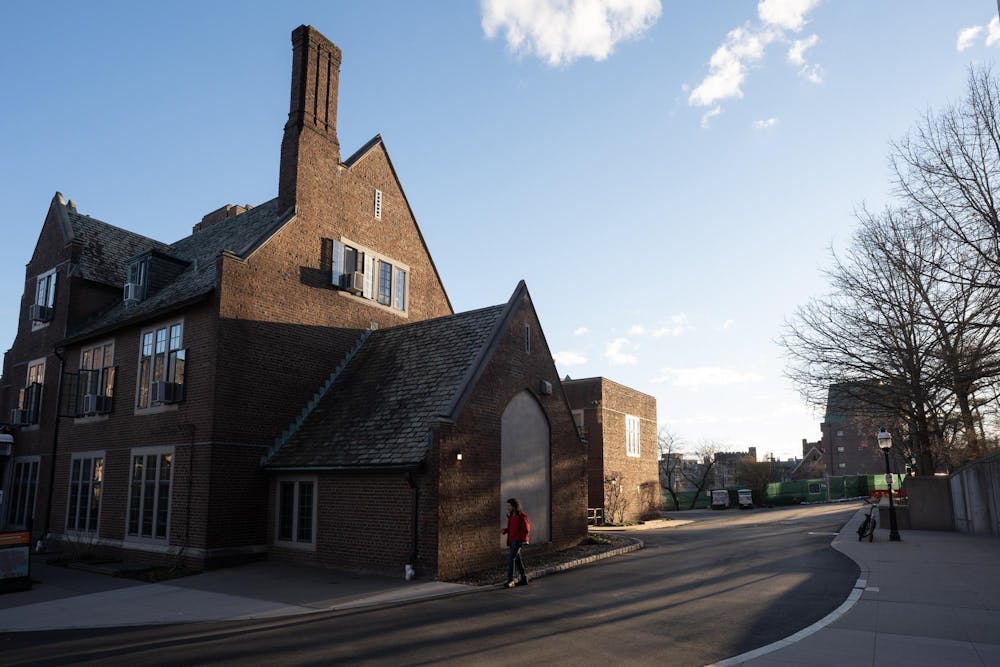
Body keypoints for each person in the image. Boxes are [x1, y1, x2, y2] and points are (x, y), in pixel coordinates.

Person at [501, 497, 530, 588]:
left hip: (518, 541)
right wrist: (505, 530)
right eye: (507, 506)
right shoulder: (511, 517)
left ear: (514, 506)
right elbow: (511, 529)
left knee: (511, 559)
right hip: (512, 541)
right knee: (517, 560)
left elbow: (526, 529)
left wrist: (522, 540)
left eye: (509, 506)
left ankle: (510, 580)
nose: (508, 507)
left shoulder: (522, 516)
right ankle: (524, 579)